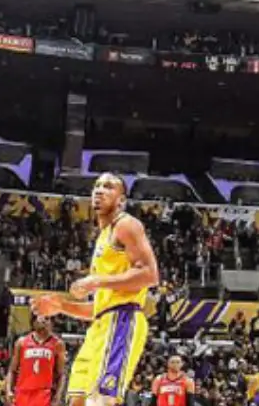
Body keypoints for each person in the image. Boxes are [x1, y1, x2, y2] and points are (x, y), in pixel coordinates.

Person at [33, 174, 162, 406]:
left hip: (122, 319)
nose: (99, 191)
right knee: (77, 400)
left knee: (101, 401)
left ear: (121, 200)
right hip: (100, 324)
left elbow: (150, 275)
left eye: (108, 187)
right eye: (97, 186)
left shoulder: (126, 225)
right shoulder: (103, 236)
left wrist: (96, 281)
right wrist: (61, 306)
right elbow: (100, 307)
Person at [6, 318, 65, 406]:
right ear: (34, 322)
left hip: (44, 394)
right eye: (40, 317)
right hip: (22, 393)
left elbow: (61, 374)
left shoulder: (58, 344)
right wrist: (8, 390)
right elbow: (12, 370)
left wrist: (58, 395)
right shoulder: (21, 342)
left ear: (52, 323)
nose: (43, 321)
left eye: (47, 318)